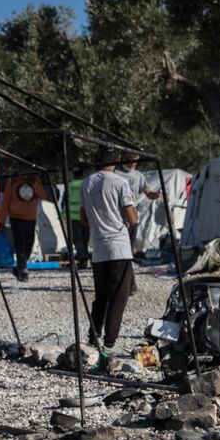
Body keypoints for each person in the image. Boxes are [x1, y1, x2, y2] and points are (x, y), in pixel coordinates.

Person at [83, 149, 137, 359]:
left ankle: (93, 336)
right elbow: (132, 217)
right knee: (119, 297)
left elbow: (83, 218)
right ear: (116, 160)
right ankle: (110, 342)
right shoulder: (120, 182)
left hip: (98, 247)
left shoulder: (87, 183)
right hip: (118, 246)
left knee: (101, 296)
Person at [2, 166, 48, 282]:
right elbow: (6, 199)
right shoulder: (12, 180)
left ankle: (19, 267)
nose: (26, 174)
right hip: (16, 217)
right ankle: (23, 270)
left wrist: (35, 183)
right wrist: (2, 220)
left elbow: (43, 196)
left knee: (29, 244)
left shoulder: (35, 180)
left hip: (30, 218)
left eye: (29, 172)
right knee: (20, 244)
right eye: (24, 172)